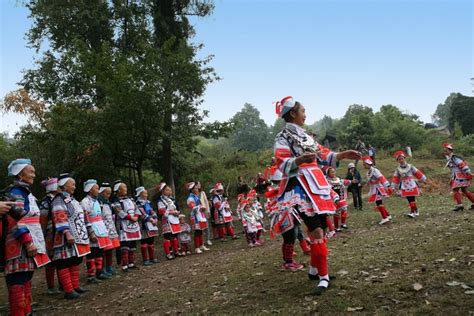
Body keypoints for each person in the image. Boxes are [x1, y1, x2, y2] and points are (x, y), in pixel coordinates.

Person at [273, 96, 361, 295]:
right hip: (300, 186)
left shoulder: (306, 136)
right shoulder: (282, 137)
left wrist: (343, 154)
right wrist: (299, 160)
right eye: (303, 111)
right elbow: (282, 162)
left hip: (318, 185)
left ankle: (314, 269)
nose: (305, 114)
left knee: (319, 228)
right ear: (293, 114)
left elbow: (323, 155)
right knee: (317, 231)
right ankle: (324, 277)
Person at [3, 159, 49, 314]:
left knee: (26, 279)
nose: (34, 175)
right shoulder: (16, 193)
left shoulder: (25, 192)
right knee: (18, 280)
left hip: (26, 241)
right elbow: (15, 221)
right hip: (18, 245)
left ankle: (27, 311)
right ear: (20, 174)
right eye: (31, 172)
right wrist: (28, 242)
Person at [51, 173, 91, 299]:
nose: (74, 186)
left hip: (77, 236)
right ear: (64, 185)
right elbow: (59, 216)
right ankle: (68, 290)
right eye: (72, 184)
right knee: (65, 262)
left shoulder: (72, 200)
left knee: (75, 261)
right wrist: (67, 233)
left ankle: (75, 286)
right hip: (65, 238)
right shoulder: (58, 199)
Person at [81, 179, 112, 283]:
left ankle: (99, 272)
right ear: (90, 190)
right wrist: (90, 232)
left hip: (100, 227)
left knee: (99, 251)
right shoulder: (85, 202)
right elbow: (85, 218)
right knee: (92, 253)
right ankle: (91, 275)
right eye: (96, 188)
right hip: (92, 228)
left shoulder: (97, 201)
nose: (98, 191)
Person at [111, 180, 142, 272]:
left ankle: (131, 263)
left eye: (126, 187)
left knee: (132, 244)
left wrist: (136, 216)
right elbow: (118, 211)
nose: (125, 189)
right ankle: (124, 265)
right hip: (123, 226)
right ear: (118, 190)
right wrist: (130, 217)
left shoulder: (131, 199)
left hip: (133, 224)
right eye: (123, 187)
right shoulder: (116, 201)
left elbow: (136, 208)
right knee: (124, 245)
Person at [39, 177, 61, 295]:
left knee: (61, 259)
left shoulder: (60, 199)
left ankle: (63, 283)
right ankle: (51, 286)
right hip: (49, 234)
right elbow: (42, 219)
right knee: (51, 260)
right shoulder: (46, 202)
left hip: (59, 232)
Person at [391, 150, 427, 218]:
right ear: (397, 160)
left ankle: (413, 211)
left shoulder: (410, 166)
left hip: (411, 184)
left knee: (412, 198)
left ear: (404, 158)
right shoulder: (398, 169)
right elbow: (396, 178)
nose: (401, 160)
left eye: (402, 158)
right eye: (399, 159)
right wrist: (393, 186)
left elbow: (417, 172)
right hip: (404, 185)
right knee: (409, 198)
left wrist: (423, 179)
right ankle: (415, 211)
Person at [98, 183, 120, 276]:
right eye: (107, 193)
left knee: (110, 249)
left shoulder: (108, 203)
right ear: (102, 192)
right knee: (104, 250)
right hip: (103, 228)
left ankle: (109, 266)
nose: (109, 195)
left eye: (110, 193)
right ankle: (102, 268)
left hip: (110, 227)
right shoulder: (99, 202)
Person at [443, 143, 474, 211]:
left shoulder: (454, 158)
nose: (445, 152)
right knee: (464, 190)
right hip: (458, 176)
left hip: (460, 176)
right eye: (444, 151)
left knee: (456, 190)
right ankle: (461, 204)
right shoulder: (450, 158)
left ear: (450, 150)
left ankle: (459, 205)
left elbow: (462, 164)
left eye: (446, 150)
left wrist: (468, 172)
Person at [362, 157, 393, 224]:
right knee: (379, 202)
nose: (364, 166)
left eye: (365, 164)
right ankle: (388, 215)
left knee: (379, 202)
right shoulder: (368, 172)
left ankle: (384, 217)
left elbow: (381, 178)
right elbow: (370, 180)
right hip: (374, 188)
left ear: (369, 164)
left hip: (378, 188)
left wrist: (387, 186)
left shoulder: (375, 171)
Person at [157, 183, 182, 260]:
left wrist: (177, 212)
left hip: (174, 219)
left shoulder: (172, 199)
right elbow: (162, 211)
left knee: (174, 236)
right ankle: (168, 253)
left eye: (170, 190)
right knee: (167, 237)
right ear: (163, 191)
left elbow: (177, 208)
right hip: (167, 220)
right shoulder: (160, 200)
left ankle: (176, 251)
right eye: (167, 190)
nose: (169, 191)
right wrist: (172, 212)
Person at [135, 186, 159, 265]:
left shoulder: (148, 202)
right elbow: (142, 213)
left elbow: (152, 211)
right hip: (143, 224)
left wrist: (155, 218)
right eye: (145, 193)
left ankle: (152, 258)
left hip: (151, 224)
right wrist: (150, 219)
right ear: (140, 194)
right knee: (144, 241)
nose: (146, 194)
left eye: (146, 193)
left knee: (151, 241)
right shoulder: (137, 203)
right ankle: (145, 259)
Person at [187, 182, 210, 254]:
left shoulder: (196, 196)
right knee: (197, 231)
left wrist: (202, 207)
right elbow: (192, 207)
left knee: (201, 231)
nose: (197, 189)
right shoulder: (190, 198)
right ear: (192, 189)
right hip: (195, 216)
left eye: (197, 188)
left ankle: (201, 245)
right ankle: (197, 247)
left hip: (200, 215)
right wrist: (200, 207)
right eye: (195, 188)